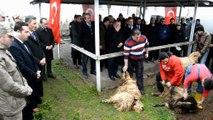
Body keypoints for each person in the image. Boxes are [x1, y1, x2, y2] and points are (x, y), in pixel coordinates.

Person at [9, 22, 41, 120]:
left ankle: (32, 107)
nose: (29, 34)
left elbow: (31, 57)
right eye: (26, 32)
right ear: (18, 32)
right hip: (26, 78)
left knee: (33, 93)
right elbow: (21, 66)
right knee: (28, 98)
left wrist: (37, 70)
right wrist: (34, 74)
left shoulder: (24, 42)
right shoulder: (14, 46)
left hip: (33, 74)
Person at [0, 24, 32, 120]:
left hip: (16, 101)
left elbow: (17, 72)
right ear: (0, 38)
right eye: (10, 36)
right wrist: (26, 90)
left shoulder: (5, 51)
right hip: (10, 106)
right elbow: (8, 85)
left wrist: (25, 84)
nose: (13, 39)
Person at [123, 29, 149, 94]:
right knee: (130, 75)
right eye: (136, 37)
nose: (138, 38)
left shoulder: (144, 38)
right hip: (131, 60)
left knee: (139, 74)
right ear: (132, 36)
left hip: (140, 59)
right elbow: (126, 55)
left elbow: (147, 45)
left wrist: (147, 53)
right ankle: (129, 89)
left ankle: (141, 89)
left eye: (139, 36)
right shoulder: (127, 42)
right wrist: (126, 65)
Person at [81, 13, 96, 79]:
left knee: (93, 58)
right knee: (85, 59)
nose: (89, 19)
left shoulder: (93, 24)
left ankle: (92, 70)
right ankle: (84, 72)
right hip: (86, 45)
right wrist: (82, 45)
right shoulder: (82, 25)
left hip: (93, 44)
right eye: (88, 18)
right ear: (85, 19)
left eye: (90, 18)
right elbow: (80, 36)